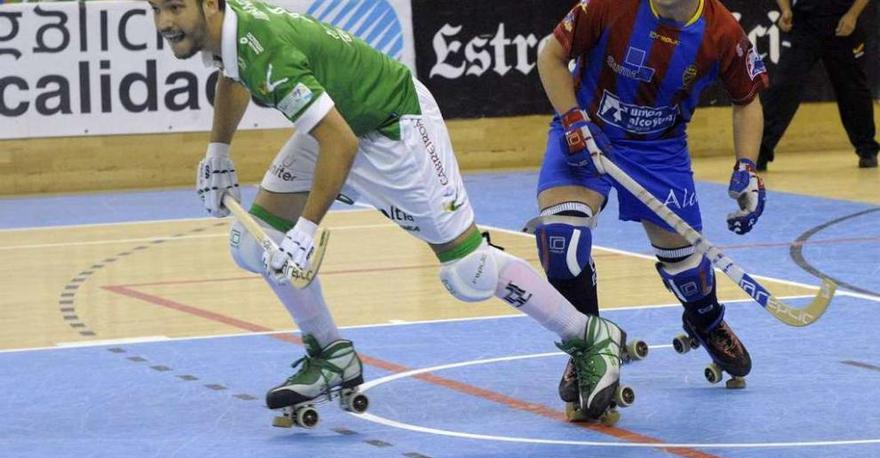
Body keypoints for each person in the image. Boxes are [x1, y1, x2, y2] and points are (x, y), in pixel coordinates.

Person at [148, 0, 631, 423]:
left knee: (470, 272)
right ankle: (330, 353)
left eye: (174, 7)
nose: (164, 21)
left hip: (394, 126)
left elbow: (341, 143)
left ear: (209, 4)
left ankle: (589, 336)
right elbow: (233, 77)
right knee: (256, 243)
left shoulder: (263, 45)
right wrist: (218, 153)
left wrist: (307, 231)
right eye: (155, 9)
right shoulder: (229, 31)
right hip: (340, 123)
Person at [535, 0, 767, 403]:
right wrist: (572, 117)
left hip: (660, 153)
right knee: (562, 243)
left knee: (688, 272)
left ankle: (706, 321)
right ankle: (589, 345)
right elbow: (550, 54)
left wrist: (748, 166)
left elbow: (746, 100)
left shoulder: (723, 31)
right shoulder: (608, 6)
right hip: (587, 133)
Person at [758, 0, 879, 169]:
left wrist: (853, 14)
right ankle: (759, 152)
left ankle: (867, 149)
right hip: (804, 23)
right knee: (784, 86)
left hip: (842, 22)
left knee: (852, 88)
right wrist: (785, 10)